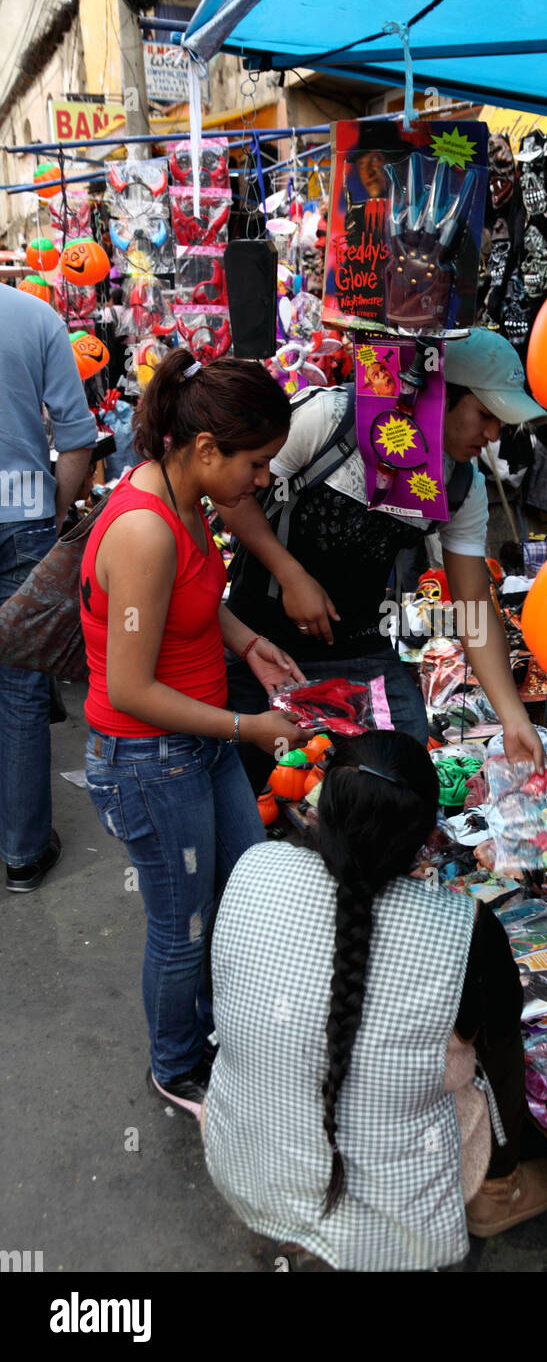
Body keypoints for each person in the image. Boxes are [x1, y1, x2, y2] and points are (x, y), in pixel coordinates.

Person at [203, 730, 547, 1272]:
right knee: (493, 1048)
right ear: (426, 837)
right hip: (396, 1223)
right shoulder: (463, 928)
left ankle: (299, 1228)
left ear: (322, 803)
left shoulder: (254, 866)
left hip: (246, 1166)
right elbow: (501, 1030)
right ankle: (498, 1189)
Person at [80, 349, 313, 1118]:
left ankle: (219, 1031)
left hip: (198, 748)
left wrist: (247, 642)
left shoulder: (182, 500)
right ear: (207, 450)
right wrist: (250, 727)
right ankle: (175, 1066)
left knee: (242, 897)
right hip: (151, 762)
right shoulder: (145, 529)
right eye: (256, 464)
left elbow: (193, 601)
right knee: (182, 926)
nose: (261, 482)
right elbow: (130, 688)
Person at [220, 329, 547, 796]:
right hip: (258, 645)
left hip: (359, 649)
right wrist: (289, 574)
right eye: (484, 414)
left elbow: (473, 604)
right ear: (439, 394)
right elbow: (230, 494)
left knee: (399, 784)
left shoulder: (463, 487)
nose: (493, 434)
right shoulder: (331, 419)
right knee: (251, 788)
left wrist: (513, 717)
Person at [0, 284, 97, 892]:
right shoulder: (35, 316)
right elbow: (76, 435)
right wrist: (55, 510)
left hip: (28, 518)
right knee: (21, 693)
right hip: (23, 515)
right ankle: (24, 853)